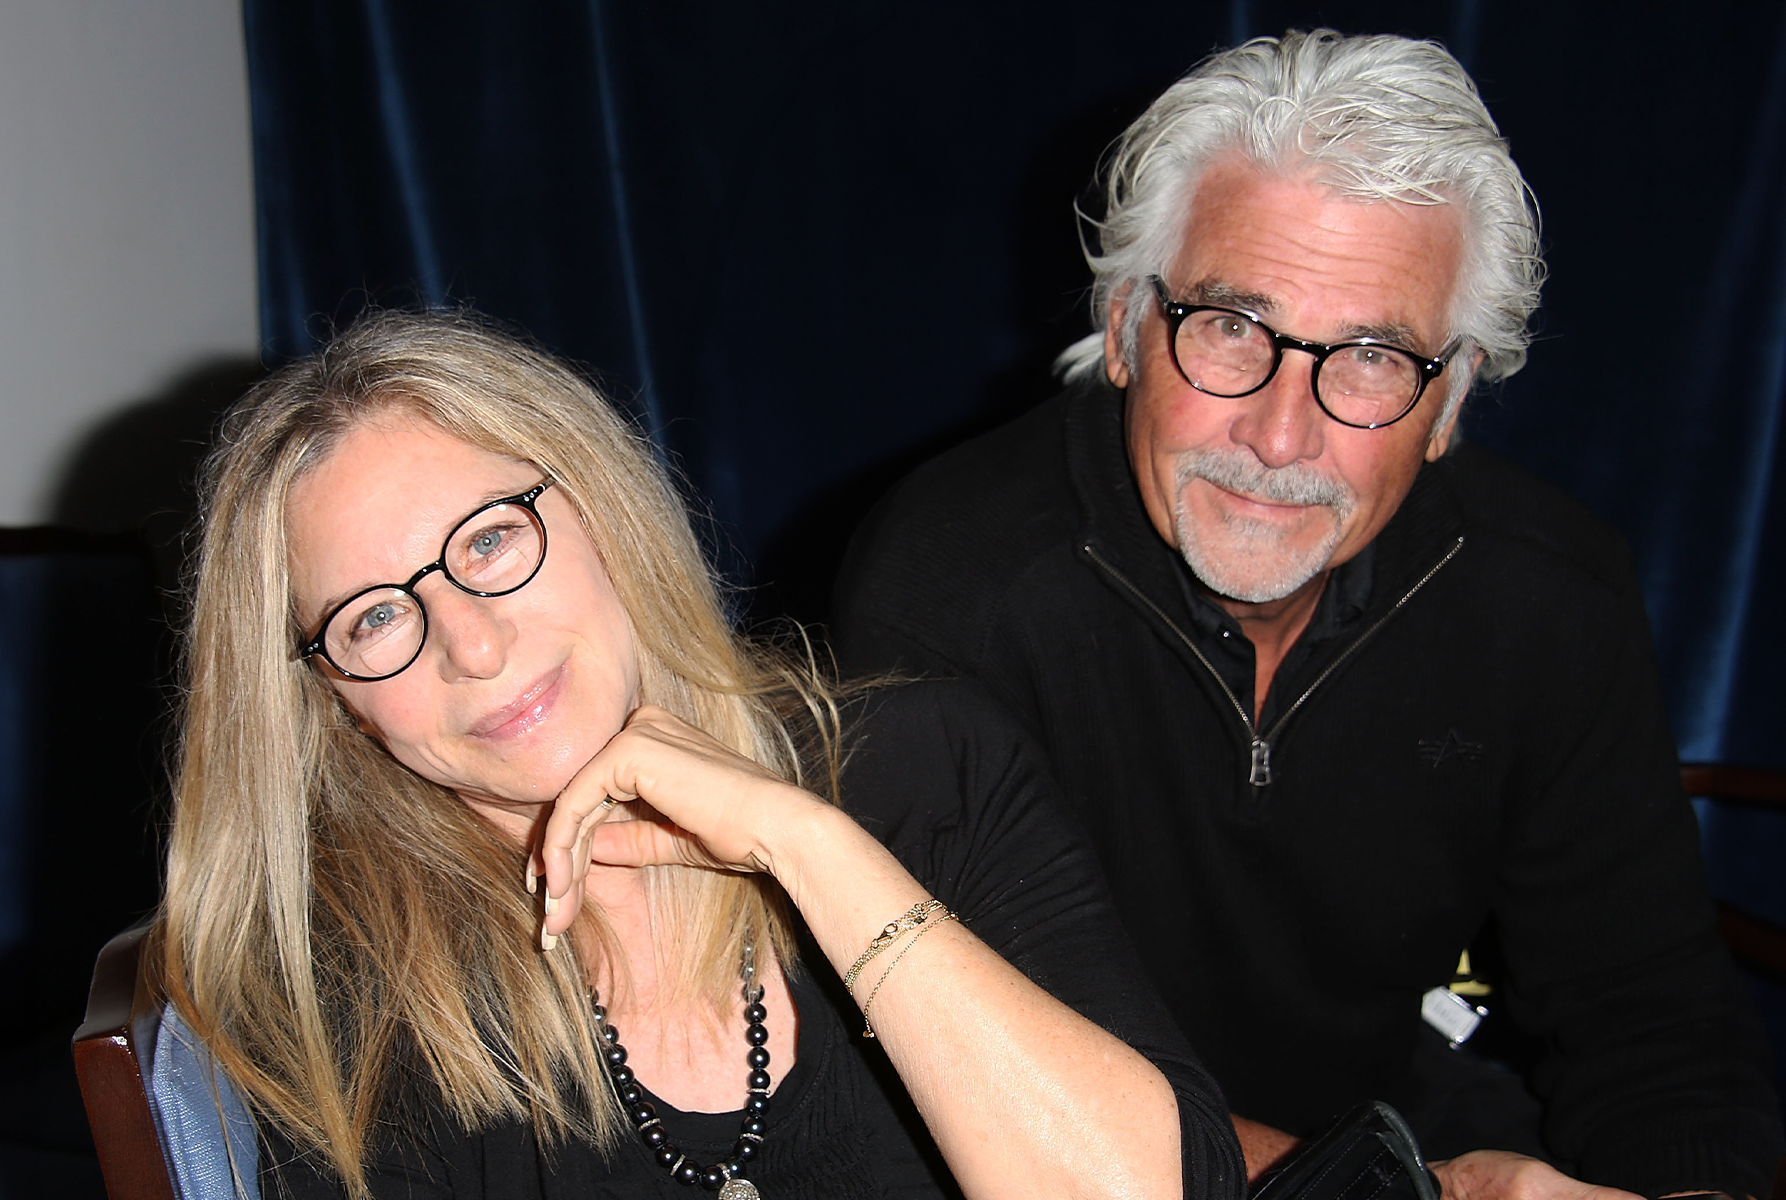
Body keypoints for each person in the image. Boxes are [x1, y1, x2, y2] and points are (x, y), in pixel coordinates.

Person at [832, 30, 1782, 1200]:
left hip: (1417, 1129)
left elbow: (1649, 1014)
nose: (1281, 438)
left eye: (1373, 357)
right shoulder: (946, 586)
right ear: (1127, 324)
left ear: (1449, 404)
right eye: (1232, 327)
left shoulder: (1548, 594)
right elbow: (939, 1055)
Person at [152, 310, 1241, 1200]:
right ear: (333, 704)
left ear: (601, 512)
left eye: (490, 539)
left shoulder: (927, 769)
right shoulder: (350, 1007)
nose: (472, 645)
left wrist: (806, 843)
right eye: (375, 619)